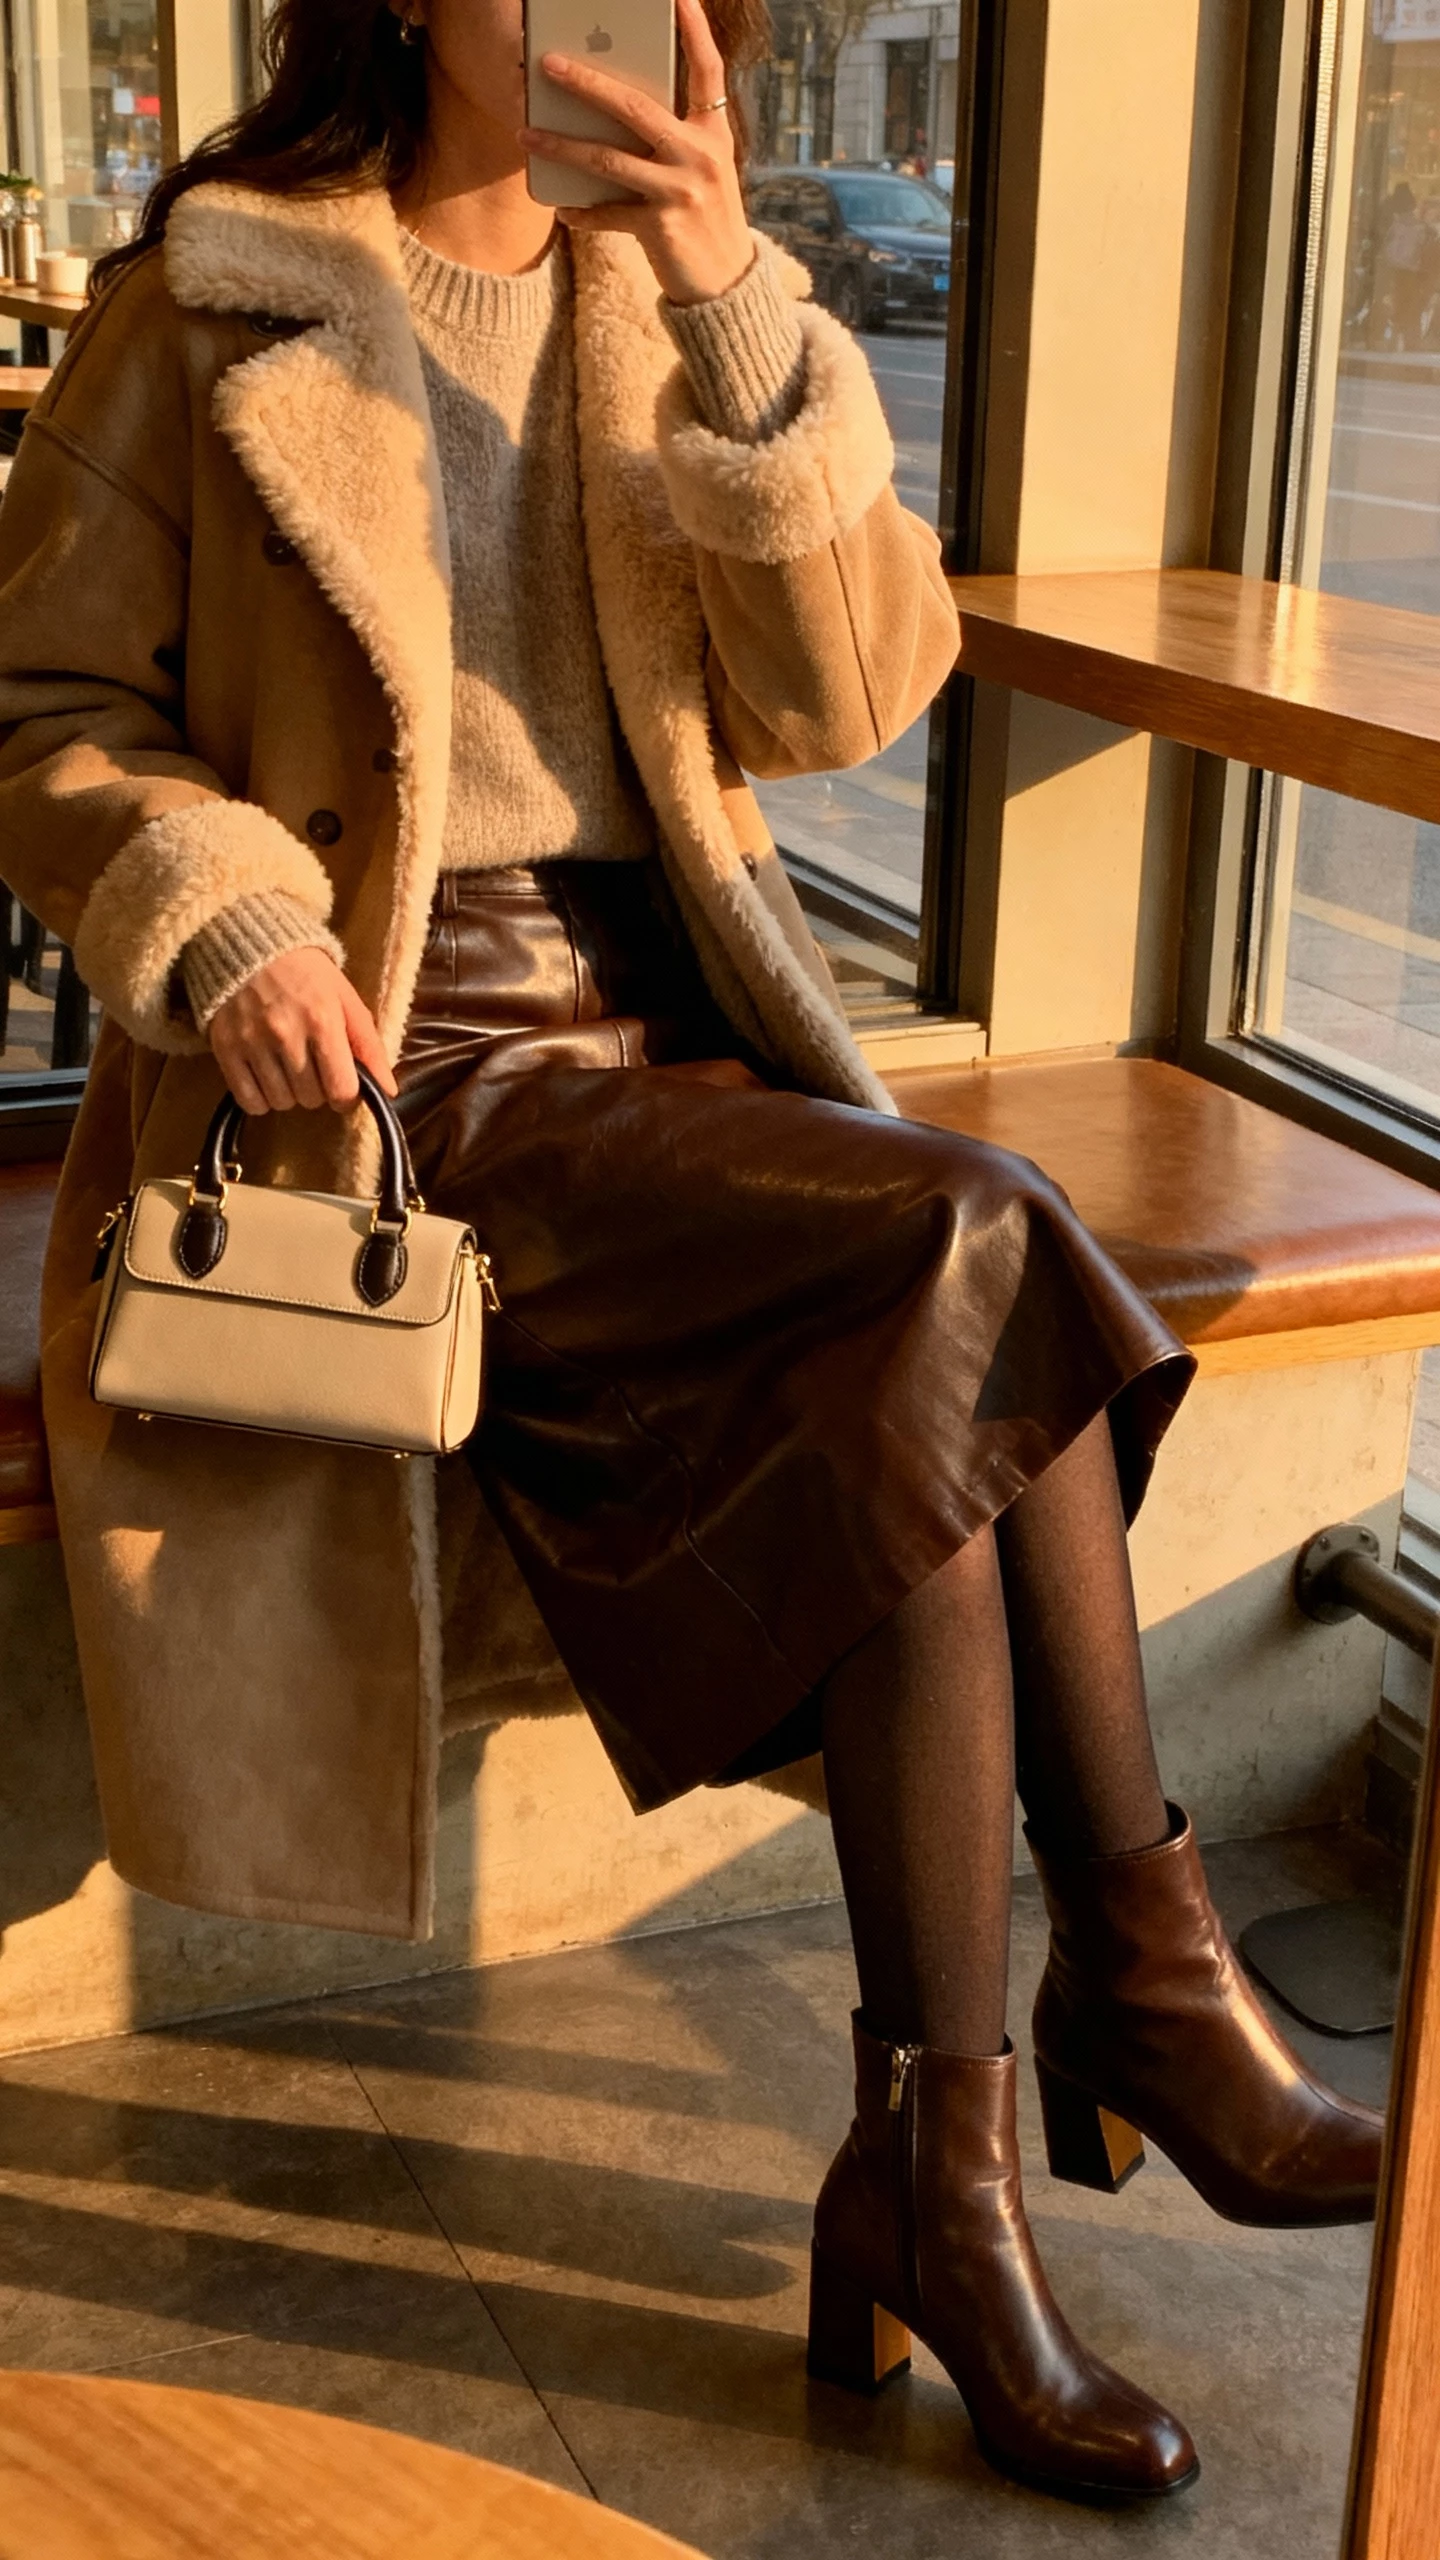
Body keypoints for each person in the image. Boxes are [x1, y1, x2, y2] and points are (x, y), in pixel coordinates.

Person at [0, 0, 1382, 2511]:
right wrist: (215, 916)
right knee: (983, 1239)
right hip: (393, 1076)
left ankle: (939, 2181)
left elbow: (850, 695)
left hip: (684, 1051)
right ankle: (1146, 1980)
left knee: (929, 1414)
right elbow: (43, 713)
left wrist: (740, 286)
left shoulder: (673, 293)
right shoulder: (205, 291)